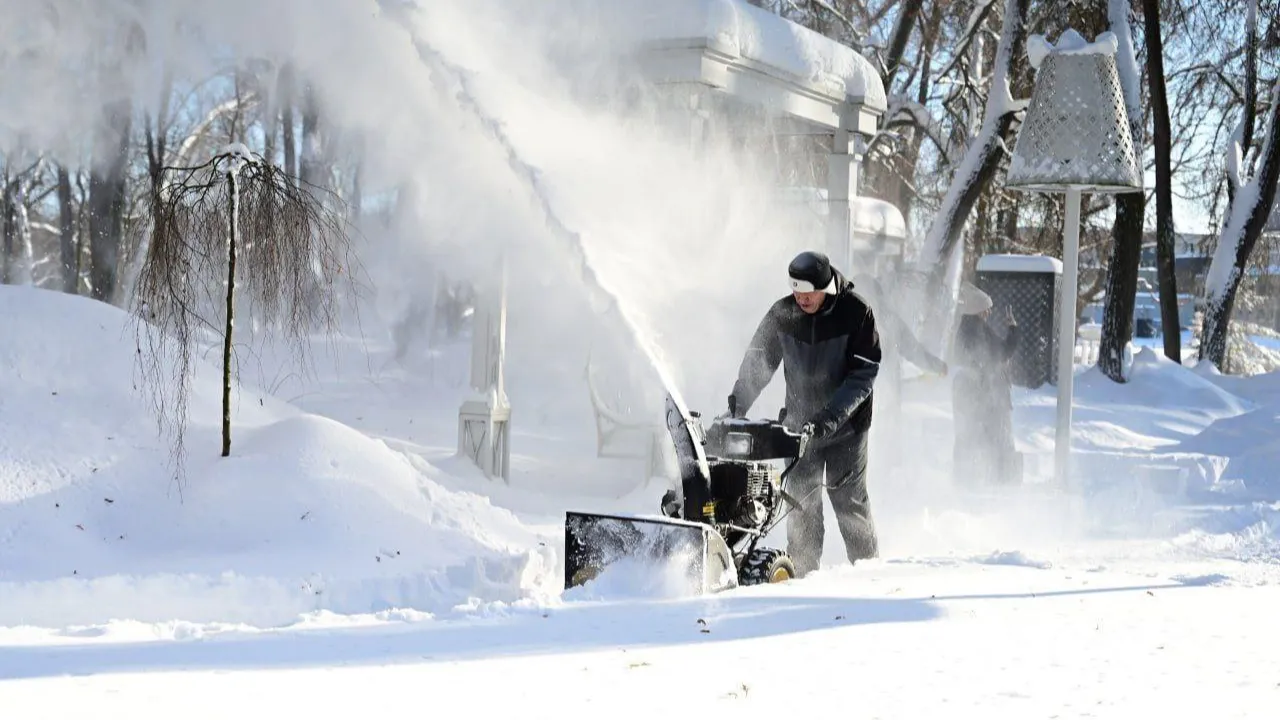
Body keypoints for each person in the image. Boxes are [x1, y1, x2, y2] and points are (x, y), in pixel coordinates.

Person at [727, 250, 881, 577]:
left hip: (846, 427)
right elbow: (760, 361)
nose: (800, 298)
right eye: (795, 290)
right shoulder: (783, 313)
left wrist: (829, 417)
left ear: (825, 288)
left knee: (849, 503)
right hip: (799, 427)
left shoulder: (856, 313)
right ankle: (802, 575)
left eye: (807, 292)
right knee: (801, 505)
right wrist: (738, 403)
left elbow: (862, 376)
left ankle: (870, 575)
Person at [950, 281, 1022, 486]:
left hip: (968, 396)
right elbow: (1003, 352)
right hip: (986, 397)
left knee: (967, 438)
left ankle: (965, 479)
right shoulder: (978, 331)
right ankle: (1003, 483)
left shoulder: (965, 329)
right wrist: (1013, 330)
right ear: (979, 310)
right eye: (987, 309)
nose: (989, 312)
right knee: (998, 440)